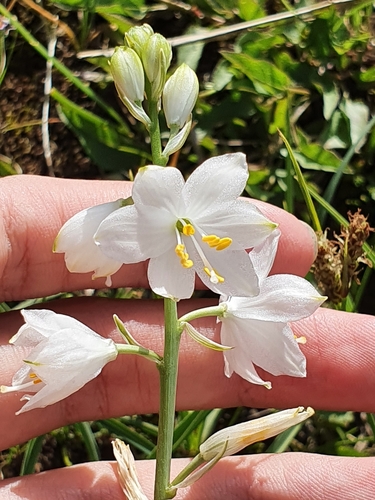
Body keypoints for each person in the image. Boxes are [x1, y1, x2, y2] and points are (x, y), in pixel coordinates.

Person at [0, 174, 374, 499]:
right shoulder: (138, 228)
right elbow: (118, 238)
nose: (186, 233)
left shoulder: (219, 280)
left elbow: (260, 233)